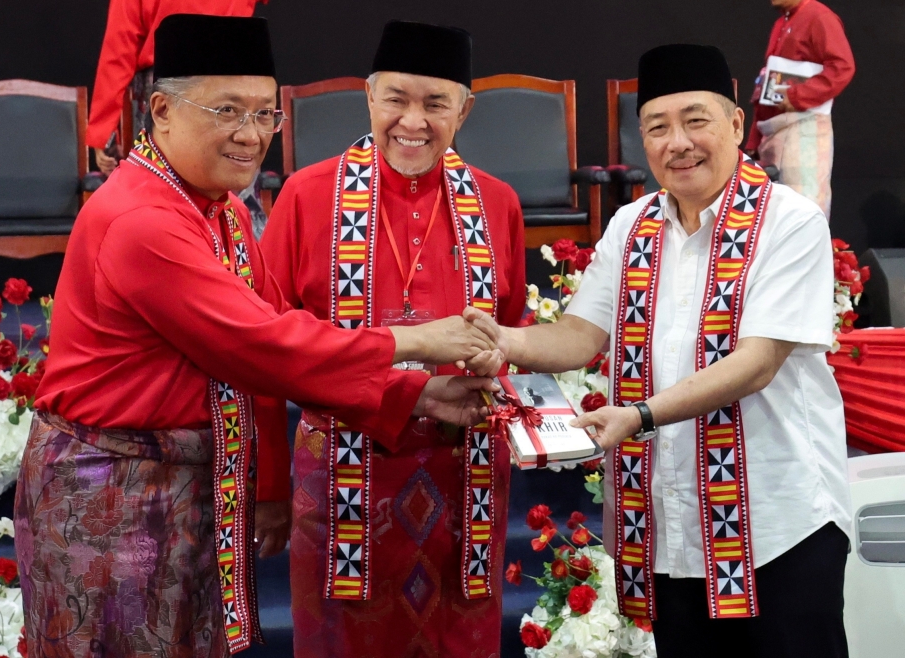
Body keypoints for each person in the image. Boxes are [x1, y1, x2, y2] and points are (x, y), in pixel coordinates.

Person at [14, 15, 503, 657]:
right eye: (227, 111)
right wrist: (418, 342)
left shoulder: (220, 210)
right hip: (115, 494)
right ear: (161, 111)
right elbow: (265, 345)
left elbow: (283, 350)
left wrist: (418, 397)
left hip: (190, 483)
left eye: (265, 114)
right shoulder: (140, 218)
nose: (250, 135)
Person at [471, 44, 852, 658]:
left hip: (780, 526)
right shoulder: (631, 226)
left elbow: (756, 363)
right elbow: (579, 336)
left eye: (695, 120)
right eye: (657, 127)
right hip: (674, 531)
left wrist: (640, 415)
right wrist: (502, 341)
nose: (678, 143)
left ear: (736, 124)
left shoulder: (790, 222)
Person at [259, 20, 526, 658]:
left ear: (464, 109)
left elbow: (510, 336)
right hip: (342, 482)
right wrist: (267, 489)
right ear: (369, 98)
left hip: (465, 483)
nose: (413, 121)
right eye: (396, 100)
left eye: (435, 103)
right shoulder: (306, 196)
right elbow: (265, 355)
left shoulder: (498, 204)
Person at [86, 0, 271, 235]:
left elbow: (119, 47)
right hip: (236, 76)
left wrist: (103, 130)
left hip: (170, 84)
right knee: (238, 195)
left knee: (159, 195)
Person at [745, 0, 855, 218]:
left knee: (802, 211)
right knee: (772, 216)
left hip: (804, 128)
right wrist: (753, 141)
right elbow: (767, 83)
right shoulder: (782, 22)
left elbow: (842, 67)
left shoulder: (818, 16)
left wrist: (797, 96)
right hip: (772, 131)